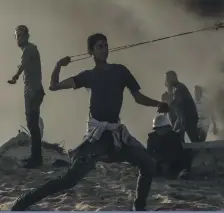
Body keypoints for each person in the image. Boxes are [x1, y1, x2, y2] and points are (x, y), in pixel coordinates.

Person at [10, 33, 169, 212]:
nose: (104, 49)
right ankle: (25, 201)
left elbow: (138, 97)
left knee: (147, 163)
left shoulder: (120, 71)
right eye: (100, 46)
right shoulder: (88, 76)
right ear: (91, 52)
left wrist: (158, 103)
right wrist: (58, 66)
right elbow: (54, 86)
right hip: (97, 136)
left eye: (106, 45)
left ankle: (139, 207)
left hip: (117, 134)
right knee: (69, 180)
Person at [7, 25, 45, 168]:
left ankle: (36, 159)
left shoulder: (29, 49)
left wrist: (15, 77)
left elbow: (22, 65)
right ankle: (35, 157)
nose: (19, 38)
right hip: (33, 91)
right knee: (32, 124)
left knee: (32, 125)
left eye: (21, 35)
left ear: (27, 36)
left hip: (33, 91)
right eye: (17, 35)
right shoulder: (29, 49)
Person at [147, 113, 193, 180]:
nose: (160, 131)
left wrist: (168, 162)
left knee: (186, 154)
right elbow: (149, 153)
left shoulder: (174, 136)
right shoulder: (152, 138)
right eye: (158, 129)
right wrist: (159, 161)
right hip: (159, 162)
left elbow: (178, 151)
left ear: (167, 127)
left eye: (162, 128)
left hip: (173, 161)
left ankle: (181, 173)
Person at [164, 70, 200, 142]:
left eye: (168, 78)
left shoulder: (179, 88)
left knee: (193, 138)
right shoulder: (175, 88)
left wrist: (168, 101)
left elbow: (177, 102)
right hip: (183, 118)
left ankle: (202, 151)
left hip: (188, 117)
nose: (167, 81)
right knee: (177, 137)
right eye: (166, 79)